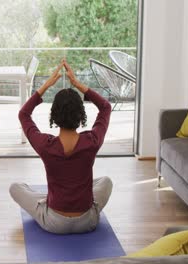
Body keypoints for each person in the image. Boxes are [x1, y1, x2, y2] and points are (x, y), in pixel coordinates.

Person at [9, 59, 113, 234]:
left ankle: (46, 200)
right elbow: (105, 107)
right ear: (81, 116)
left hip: (54, 222)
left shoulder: (45, 145)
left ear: (54, 116)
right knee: (107, 182)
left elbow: (23, 114)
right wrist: (78, 84)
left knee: (15, 188)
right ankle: (50, 198)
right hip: (87, 221)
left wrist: (46, 86)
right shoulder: (92, 141)